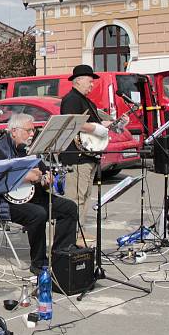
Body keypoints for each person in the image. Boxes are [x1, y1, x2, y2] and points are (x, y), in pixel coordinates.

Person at [0, 113, 78, 275]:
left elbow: (43, 173)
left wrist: (46, 178)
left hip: (36, 197)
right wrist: (23, 176)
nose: (31, 134)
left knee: (69, 208)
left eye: (33, 131)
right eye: (28, 131)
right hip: (6, 203)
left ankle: (61, 255)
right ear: (14, 131)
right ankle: (39, 263)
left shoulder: (30, 150)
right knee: (38, 214)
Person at [59, 64, 127, 241]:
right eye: (90, 81)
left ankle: (79, 231)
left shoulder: (87, 100)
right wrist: (96, 129)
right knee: (76, 197)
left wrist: (115, 124)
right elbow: (72, 122)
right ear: (78, 80)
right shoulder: (71, 99)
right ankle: (71, 234)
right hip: (76, 156)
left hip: (88, 155)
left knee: (86, 196)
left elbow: (98, 124)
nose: (92, 85)